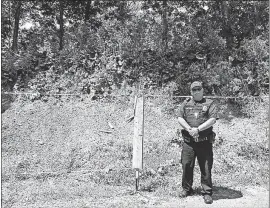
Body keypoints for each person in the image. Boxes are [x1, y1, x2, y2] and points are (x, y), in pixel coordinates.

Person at [177, 81, 218, 204]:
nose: (196, 91)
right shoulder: (186, 103)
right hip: (189, 142)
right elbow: (180, 117)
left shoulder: (210, 103)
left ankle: (207, 192)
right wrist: (189, 129)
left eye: (198, 89)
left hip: (204, 142)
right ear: (191, 91)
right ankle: (186, 189)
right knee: (186, 165)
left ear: (202, 90)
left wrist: (198, 129)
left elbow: (212, 119)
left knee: (206, 167)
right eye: (194, 90)